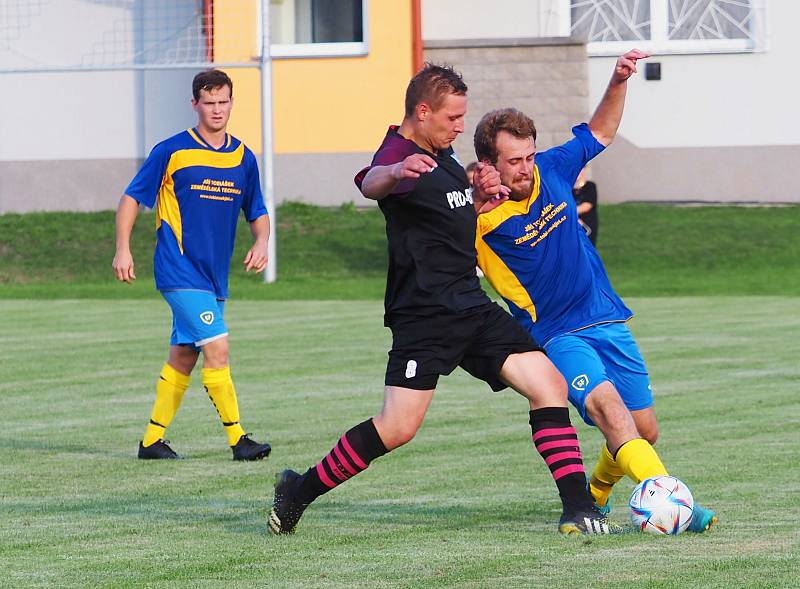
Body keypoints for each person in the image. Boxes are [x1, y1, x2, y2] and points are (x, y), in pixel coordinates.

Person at [268, 64, 620, 537]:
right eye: (453, 117)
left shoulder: (446, 154)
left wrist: (479, 202)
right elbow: (371, 183)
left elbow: (451, 221)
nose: (459, 126)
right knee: (397, 428)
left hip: (470, 306)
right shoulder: (398, 152)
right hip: (424, 317)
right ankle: (299, 490)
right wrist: (393, 171)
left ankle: (578, 508)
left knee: (548, 385)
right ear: (423, 110)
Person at [471, 50, 717, 532]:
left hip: (606, 316)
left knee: (643, 431)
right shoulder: (478, 221)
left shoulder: (553, 169)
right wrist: (473, 194)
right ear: (490, 163)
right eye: (512, 161)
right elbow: (448, 215)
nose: (524, 168)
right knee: (609, 409)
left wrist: (619, 79)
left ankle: (596, 495)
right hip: (558, 335)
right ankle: (675, 506)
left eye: (528, 156)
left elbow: (600, 132)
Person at [113, 69, 272, 462]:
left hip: (213, 277)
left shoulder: (243, 157)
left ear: (232, 103)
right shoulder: (172, 151)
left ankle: (151, 441)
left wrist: (262, 240)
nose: (217, 110)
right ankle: (239, 440)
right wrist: (123, 248)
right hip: (178, 269)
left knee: (185, 354)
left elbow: (258, 210)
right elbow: (132, 198)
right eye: (209, 102)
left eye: (224, 102)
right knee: (217, 347)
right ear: (195, 104)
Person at [573, 167, 598, 245]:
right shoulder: (567, 188)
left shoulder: (590, 186)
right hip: (572, 226)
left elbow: (587, 205)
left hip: (586, 225)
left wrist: (570, 213)